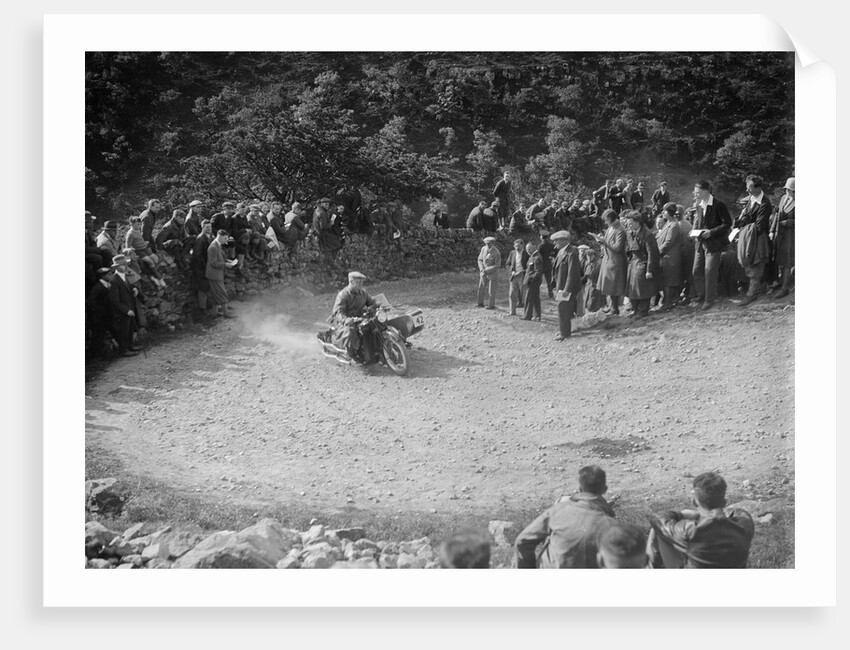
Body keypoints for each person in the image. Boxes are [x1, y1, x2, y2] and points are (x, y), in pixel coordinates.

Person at [514, 465, 615, 568]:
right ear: (604, 489)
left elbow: (522, 541)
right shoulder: (613, 526)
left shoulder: (558, 511)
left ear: (580, 489)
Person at [648, 472, 755, 569]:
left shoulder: (690, 530)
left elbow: (657, 519)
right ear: (724, 502)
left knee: (658, 531)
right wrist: (716, 513)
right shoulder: (745, 526)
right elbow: (737, 512)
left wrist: (682, 514)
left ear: (694, 502)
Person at [691, 180, 732, 310]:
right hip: (700, 243)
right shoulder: (698, 205)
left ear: (706, 191)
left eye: (697, 192)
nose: (695, 194)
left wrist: (711, 232)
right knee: (696, 271)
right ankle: (701, 295)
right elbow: (697, 222)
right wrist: (694, 232)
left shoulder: (718, 205)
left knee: (710, 272)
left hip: (713, 244)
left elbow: (727, 224)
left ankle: (709, 299)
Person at [735, 174, 773, 306]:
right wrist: (740, 221)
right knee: (748, 262)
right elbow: (745, 217)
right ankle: (755, 289)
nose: (747, 190)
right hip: (749, 236)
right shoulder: (751, 200)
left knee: (756, 263)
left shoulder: (764, 203)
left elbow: (759, 225)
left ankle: (752, 294)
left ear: (758, 188)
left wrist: (744, 225)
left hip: (757, 237)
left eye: (749, 187)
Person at [330, 271, 377, 360]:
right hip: (345, 322)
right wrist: (345, 320)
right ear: (351, 282)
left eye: (362, 282)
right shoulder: (343, 295)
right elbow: (338, 312)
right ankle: (351, 353)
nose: (361, 284)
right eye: (358, 282)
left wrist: (376, 305)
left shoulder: (363, 293)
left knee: (376, 325)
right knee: (350, 331)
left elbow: (372, 301)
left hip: (359, 319)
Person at [623, 209, 659, 319]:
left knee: (642, 288)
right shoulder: (631, 233)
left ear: (637, 222)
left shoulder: (648, 235)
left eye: (630, 223)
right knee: (631, 288)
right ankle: (635, 309)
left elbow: (652, 253)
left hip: (643, 263)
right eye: (627, 224)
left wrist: (649, 270)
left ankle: (643, 310)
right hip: (632, 263)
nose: (628, 226)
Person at [591, 209, 627, 315]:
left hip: (616, 261)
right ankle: (612, 306)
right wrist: (601, 240)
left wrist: (604, 242)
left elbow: (618, 248)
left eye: (606, 220)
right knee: (609, 285)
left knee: (614, 286)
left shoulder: (620, 230)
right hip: (608, 260)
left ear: (611, 218)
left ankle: (615, 308)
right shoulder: (610, 228)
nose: (605, 222)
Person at [107, 254, 143, 356]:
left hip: (129, 305)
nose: (125, 267)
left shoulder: (124, 277)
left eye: (125, 264)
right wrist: (126, 310)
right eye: (122, 265)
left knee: (130, 327)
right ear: (117, 267)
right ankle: (124, 350)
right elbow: (114, 300)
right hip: (121, 311)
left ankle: (130, 346)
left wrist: (134, 289)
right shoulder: (114, 280)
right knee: (123, 330)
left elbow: (128, 287)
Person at [551, 230, 582, 340]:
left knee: (563, 308)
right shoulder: (561, 252)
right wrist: (554, 285)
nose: (555, 243)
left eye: (557, 241)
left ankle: (564, 333)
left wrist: (567, 290)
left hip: (567, 288)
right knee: (563, 309)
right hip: (561, 286)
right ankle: (563, 330)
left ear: (564, 241)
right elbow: (556, 270)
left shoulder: (571, 253)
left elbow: (572, 273)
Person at [124, 216, 166, 289]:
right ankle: (159, 278)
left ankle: (152, 275)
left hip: (145, 248)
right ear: (132, 224)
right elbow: (127, 246)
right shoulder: (130, 234)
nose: (139, 226)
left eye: (140, 224)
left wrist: (144, 243)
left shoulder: (137, 230)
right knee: (150, 262)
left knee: (155, 259)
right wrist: (131, 253)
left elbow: (139, 240)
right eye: (137, 224)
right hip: (138, 251)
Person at [770, 177, 795, 298]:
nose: (787, 191)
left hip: (792, 236)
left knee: (787, 261)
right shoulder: (784, 199)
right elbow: (777, 216)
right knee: (778, 258)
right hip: (780, 234)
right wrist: (771, 230)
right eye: (786, 189)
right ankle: (780, 281)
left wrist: (790, 222)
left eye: (789, 190)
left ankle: (785, 287)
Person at [656, 202, 683, 310]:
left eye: (665, 211)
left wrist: (657, 252)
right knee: (666, 280)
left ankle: (668, 303)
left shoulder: (674, 225)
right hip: (666, 256)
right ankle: (667, 302)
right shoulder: (668, 223)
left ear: (670, 213)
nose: (663, 212)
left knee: (669, 281)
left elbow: (668, 242)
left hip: (671, 257)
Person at [206, 229, 238, 318]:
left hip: (216, 274)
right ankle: (226, 313)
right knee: (222, 293)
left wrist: (227, 261)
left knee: (216, 293)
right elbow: (213, 263)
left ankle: (214, 312)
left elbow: (218, 259)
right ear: (219, 237)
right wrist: (226, 264)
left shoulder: (217, 245)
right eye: (225, 238)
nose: (226, 240)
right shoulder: (213, 247)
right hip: (214, 274)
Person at [86, 267, 116, 358]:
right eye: (109, 275)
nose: (111, 276)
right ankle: (96, 356)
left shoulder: (109, 285)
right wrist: (101, 311)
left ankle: (120, 349)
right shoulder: (97, 288)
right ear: (103, 277)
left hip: (108, 314)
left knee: (114, 330)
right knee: (98, 336)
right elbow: (92, 302)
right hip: (100, 317)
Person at [190, 220, 213, 320]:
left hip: (206, 267)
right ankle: (202, 310)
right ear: (202, 228)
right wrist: (205, 266)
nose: (209, 229)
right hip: (200, 268)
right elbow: (197, 255)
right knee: (202, 288)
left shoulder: (209, 237)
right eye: (206, 227)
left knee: (207, 287)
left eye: (210, 227)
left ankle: (207, 308)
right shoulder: (200, 239)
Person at [476, 236, 501, 310]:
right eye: (486, 243)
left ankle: (491, 305)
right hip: (483, 272)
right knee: (481, 288)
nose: (488, 245)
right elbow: (480, 259)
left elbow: (497, 265)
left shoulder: (496, 252)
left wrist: (487, 270)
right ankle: (480, 303)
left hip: (492, 273)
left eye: (489, 243)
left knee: (491, 290)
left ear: (493, 243)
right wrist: (481, 269)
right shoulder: (483, 249)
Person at [578, 245, 605, 313]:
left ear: (594, 256)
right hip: (588, 286)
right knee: (588, 303)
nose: (589, 257)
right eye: (587, 255)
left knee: (593, 303)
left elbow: (592, 274)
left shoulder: (598, 264)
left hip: (595, 286)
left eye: (590, 255)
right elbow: (585, 275)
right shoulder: (588, 264)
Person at [505, 238, 528, 316]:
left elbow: (529, 266)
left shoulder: (526, 254)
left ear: (523, 246)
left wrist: (524, 271)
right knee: (512, 294)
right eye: (516, 246)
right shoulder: (512, 253)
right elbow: (507, 264)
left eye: (519, 246)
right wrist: (511, 271)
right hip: (514, 276)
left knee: (524, 294)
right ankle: (512, 311)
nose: (517, 248)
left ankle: (527, 313)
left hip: (522, 275)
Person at [522, 241, 543, 321]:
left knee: (529, 298)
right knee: (535, 298)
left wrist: (530, 278)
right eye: (527, 249)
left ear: (534, 247)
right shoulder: (532, 256)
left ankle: (527, 315)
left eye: (529, 248)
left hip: (533, 282)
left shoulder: (537, 258)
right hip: (531, 281)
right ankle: (537, 315)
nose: (528, 250)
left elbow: (538, 272)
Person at [537, 231, 555, 299]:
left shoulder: (540, 246)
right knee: (549, 281)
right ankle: (551, 295)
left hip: (541, 265)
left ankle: (537, 294)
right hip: (548, 264)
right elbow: (555, 252)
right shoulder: (551, 245)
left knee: (538, 281)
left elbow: (538, 256)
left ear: (541, 237)